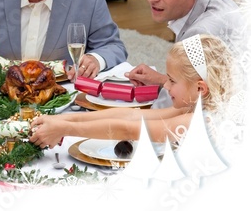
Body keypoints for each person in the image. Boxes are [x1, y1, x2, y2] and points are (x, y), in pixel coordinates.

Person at [29, 34, 236, 148]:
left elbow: (128, 129)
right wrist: (62, 121)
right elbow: (131, 115)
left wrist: (64, 130)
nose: (165, 85)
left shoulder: (201, 121)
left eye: (172, 81)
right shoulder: (192, 107)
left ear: (200, 89)